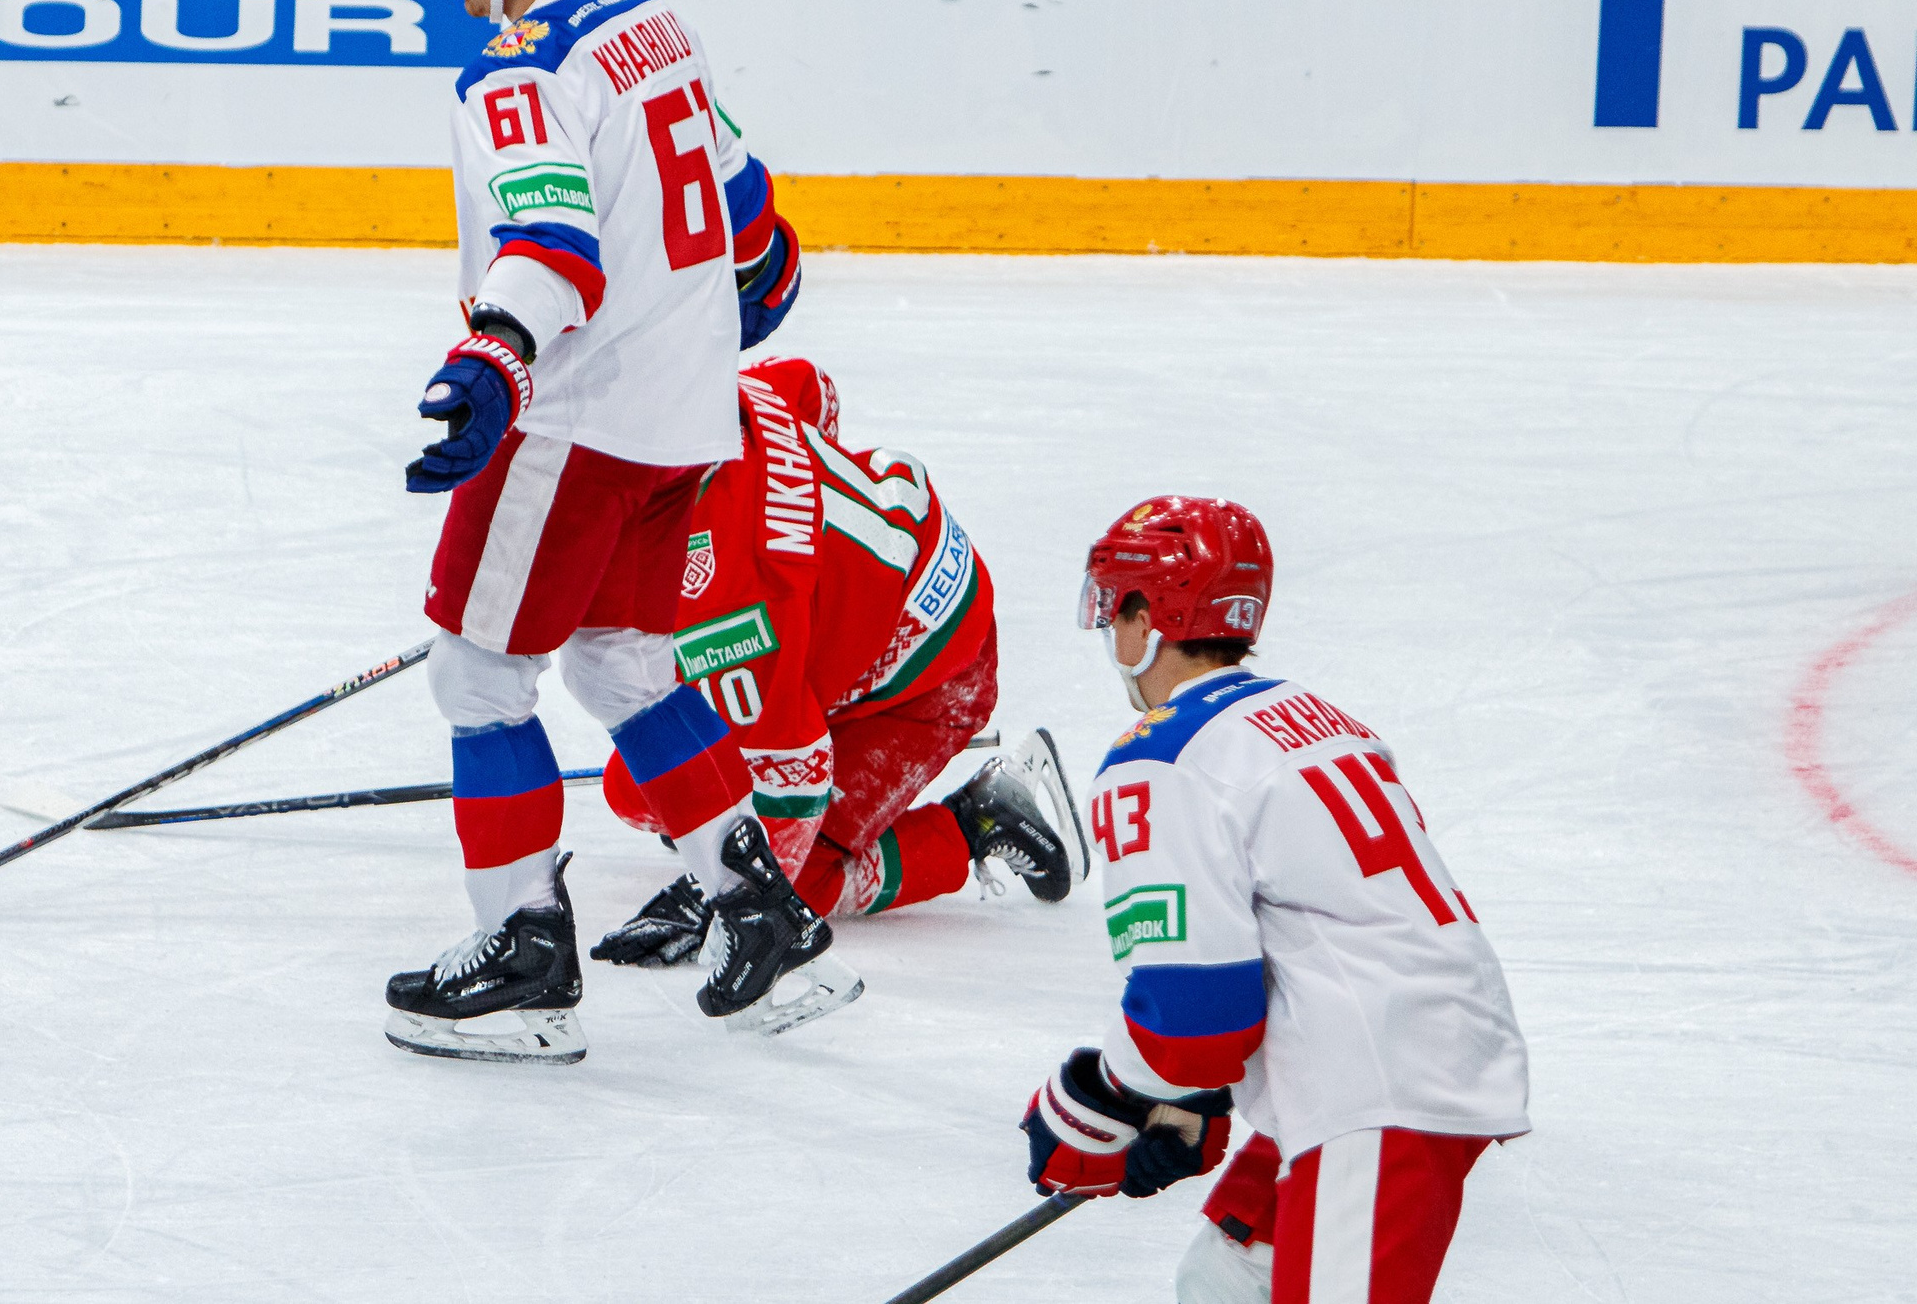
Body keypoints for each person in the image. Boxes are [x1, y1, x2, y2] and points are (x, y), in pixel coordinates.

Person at [384, 0, 834, 1066]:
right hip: (686, 416)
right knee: (624, 669)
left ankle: (524, 961)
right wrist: (753, 282)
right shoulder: (653, 28)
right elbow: (747, 206)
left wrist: (494, 357)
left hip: (573, 425)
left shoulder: (514, 73)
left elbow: (553, 240)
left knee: (480, 680)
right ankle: (758, 903)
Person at [1018, 497, 1529, 1304]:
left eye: (1118, 608)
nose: (1110, 634)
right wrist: (1195, 1099)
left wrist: (1098, 1097)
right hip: (1407, 1048)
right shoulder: (1314, 717)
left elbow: (1193, 1018)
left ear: (1151, 617)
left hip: (1374, 1082)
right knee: (1225, 1277)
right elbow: (1300, 924)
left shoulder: (1163, 755)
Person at [587, 356, 1081, 966]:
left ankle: (976, 821)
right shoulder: (711, 395)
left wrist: (722, 895)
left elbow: (795, 765)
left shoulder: (729, 606)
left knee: (795, 885)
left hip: (931, 682)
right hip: (877, 599)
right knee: (632, 787)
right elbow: (806, 383)